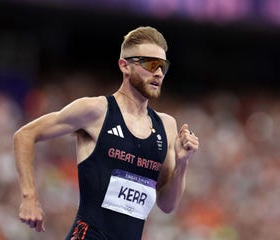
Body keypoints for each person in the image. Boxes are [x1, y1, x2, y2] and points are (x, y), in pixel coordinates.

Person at [13, 26, 199, 240]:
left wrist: (183, 164)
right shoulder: (96, 111)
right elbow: (25, 135)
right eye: (150, 64)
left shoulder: (166, 125)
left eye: (163, 66)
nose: (158, 73)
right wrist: (29, 196)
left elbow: (167, 204)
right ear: (125, 66)